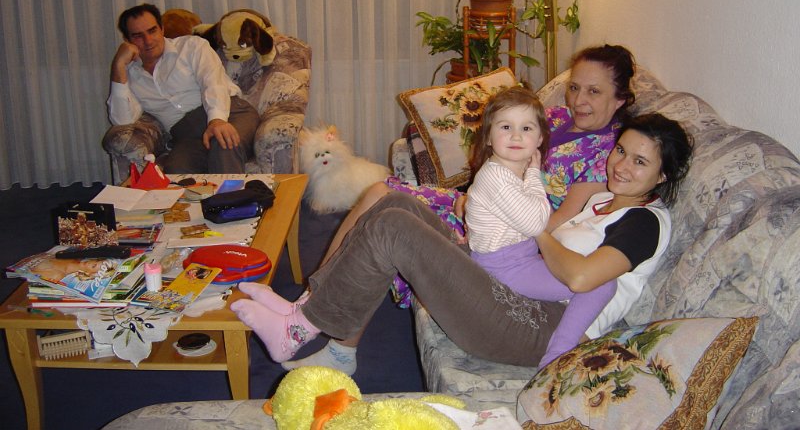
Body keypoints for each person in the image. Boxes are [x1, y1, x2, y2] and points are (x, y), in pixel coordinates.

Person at [231, 113, 693, 375]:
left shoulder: (644, 223)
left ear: (663, 175)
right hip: (518, 289)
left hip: (541, 328)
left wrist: (534, 228)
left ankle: (300, 329)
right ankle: (320, 326)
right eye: (621, 151)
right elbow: (547, 249)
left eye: (640, 162)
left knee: (395, 229)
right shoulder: (602, 200)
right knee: (395, 204)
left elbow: (582, 277)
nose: (621, 166)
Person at [271, 44, 636, 373]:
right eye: (575, 87)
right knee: (381, 192)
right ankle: (314, 303)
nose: (579, 100)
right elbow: (503, 155)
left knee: (386, 213)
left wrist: (488, 208)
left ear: (620, 99)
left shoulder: (604, 154)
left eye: (594, 91)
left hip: (513, 232)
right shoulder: (554, 117)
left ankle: (317, 317)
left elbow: (554, 224)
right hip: (490, 205)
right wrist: (476, 197)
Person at [464, 85, 617, 367]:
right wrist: (535, 173)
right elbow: (538, 223)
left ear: (540, 138)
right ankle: (555, 356)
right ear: (488, 136)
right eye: (506, 127)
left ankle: (563, 332)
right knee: (601, 283)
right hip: (504, 268)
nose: (516, 136)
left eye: (526, 128)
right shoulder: (496, 177)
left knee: (584, 268)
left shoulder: (507, 170)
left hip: (518, 258)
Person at [107, 3, 260, 174]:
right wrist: (118, 65)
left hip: (231, 113)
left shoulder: (192, 46)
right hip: (187, 136)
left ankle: (232, 193)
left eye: (152, 31)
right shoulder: (130, 74)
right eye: (138, 36)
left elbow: (212, 82)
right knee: (177, 170)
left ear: (162, 29)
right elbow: (122, 119)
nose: (148, 41)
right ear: (128, 40)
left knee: (224, 142)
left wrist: (217, 120)